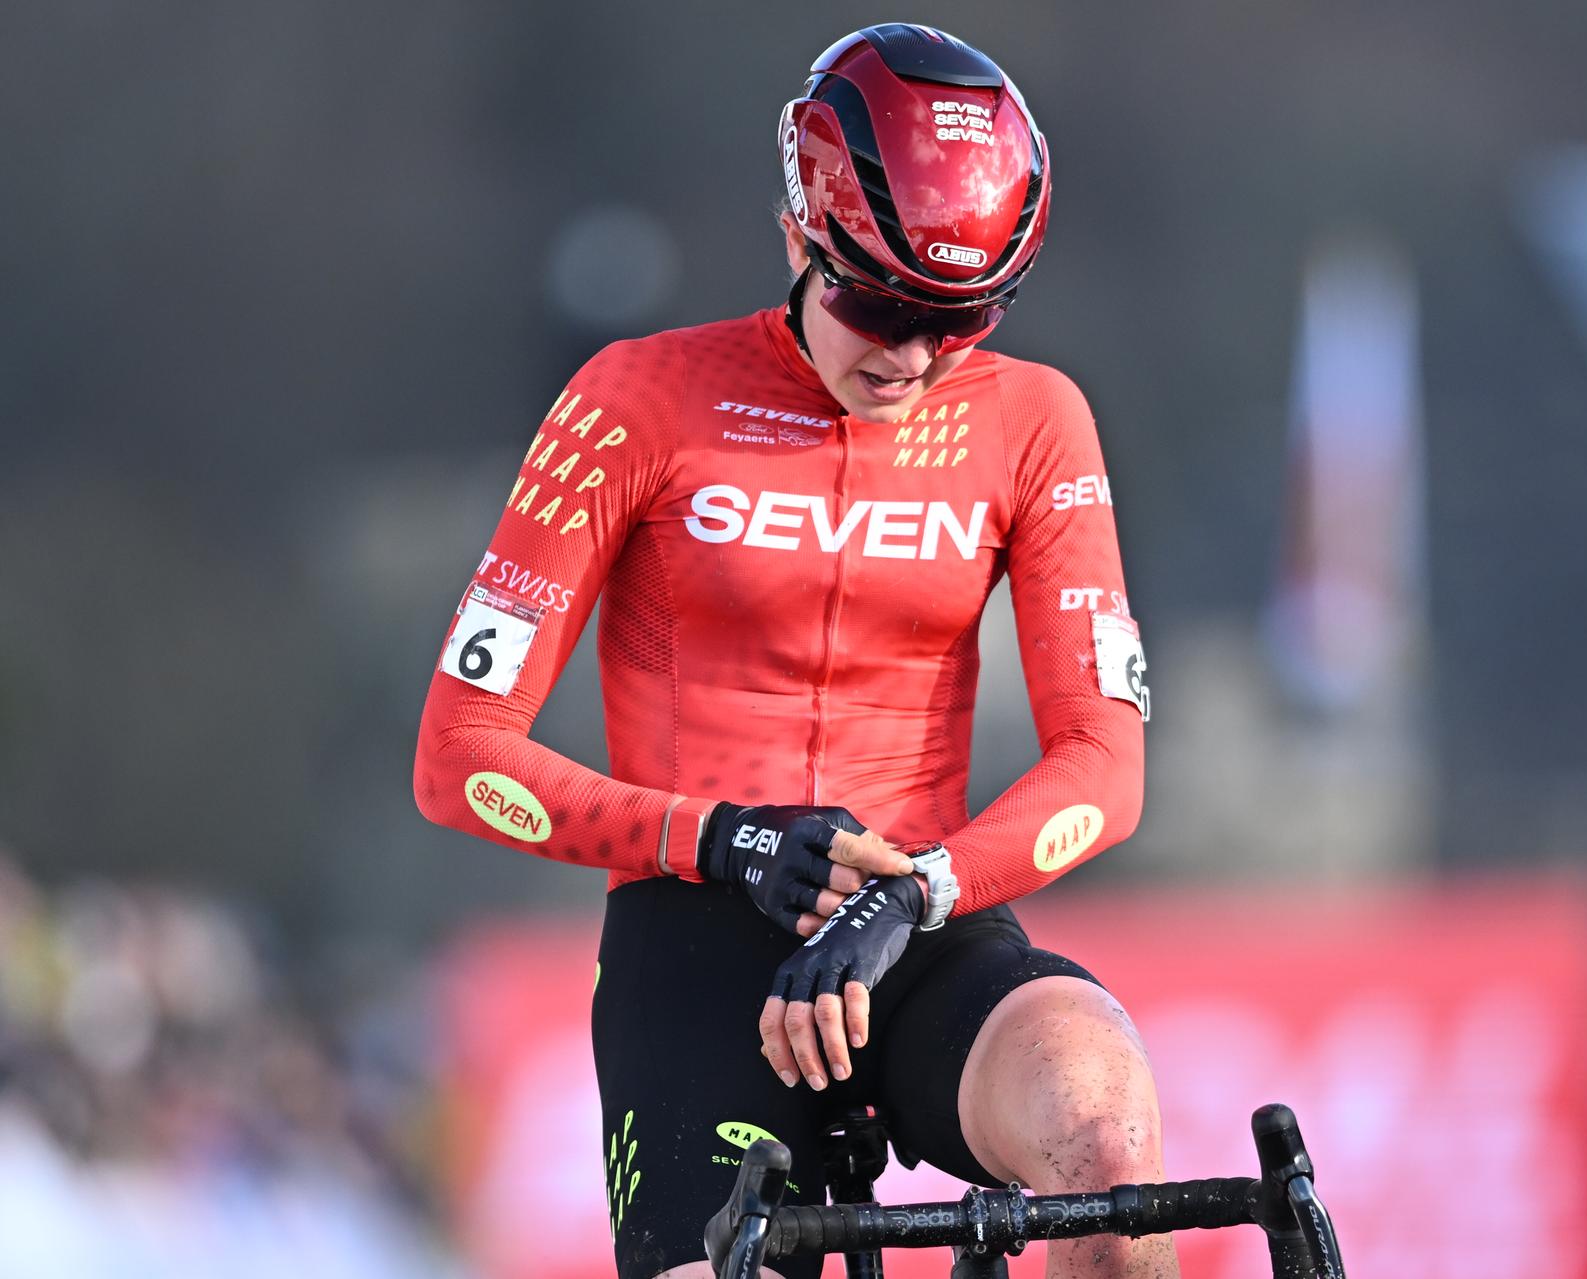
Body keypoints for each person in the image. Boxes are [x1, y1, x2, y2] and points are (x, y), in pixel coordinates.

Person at [415, 24, 1170, 1278]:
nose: (913, 357)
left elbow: (1108, 762)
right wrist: (726, 837)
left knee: (1107, 1146)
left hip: (913, 924)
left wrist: (917, 889)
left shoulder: (1038, 422)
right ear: (796, 237)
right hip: (699, 941)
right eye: (877, 304)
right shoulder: (634, 398)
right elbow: (459, 756)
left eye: (959, 317)